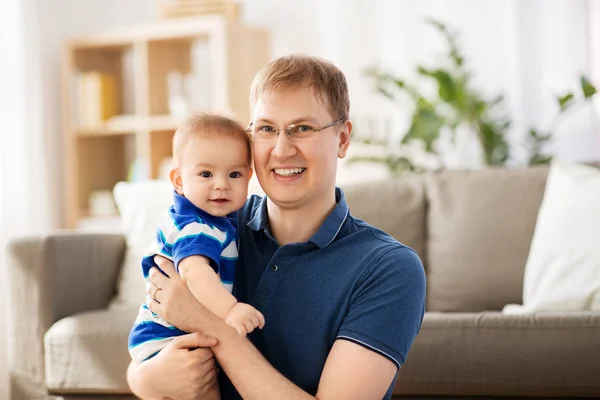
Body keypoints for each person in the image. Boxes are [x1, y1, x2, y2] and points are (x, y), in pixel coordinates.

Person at [127, 54, 426, 400]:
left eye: (303, 128)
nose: (282, 150)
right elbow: (145, 350)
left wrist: (208, 324)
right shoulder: (211, 224)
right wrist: (148, 380)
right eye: (267, 129)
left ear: (343, 139)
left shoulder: (389, 269)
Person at [127, 115, 265, 380]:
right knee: (203, 385)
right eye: (205, 174)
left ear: (249, 176)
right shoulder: (196, 225)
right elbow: (195, 274)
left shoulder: (214, 219)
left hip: (167, 334)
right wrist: (231, 310)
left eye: (234, 174)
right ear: (179, 181)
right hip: (166, 337)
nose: (221, 184)